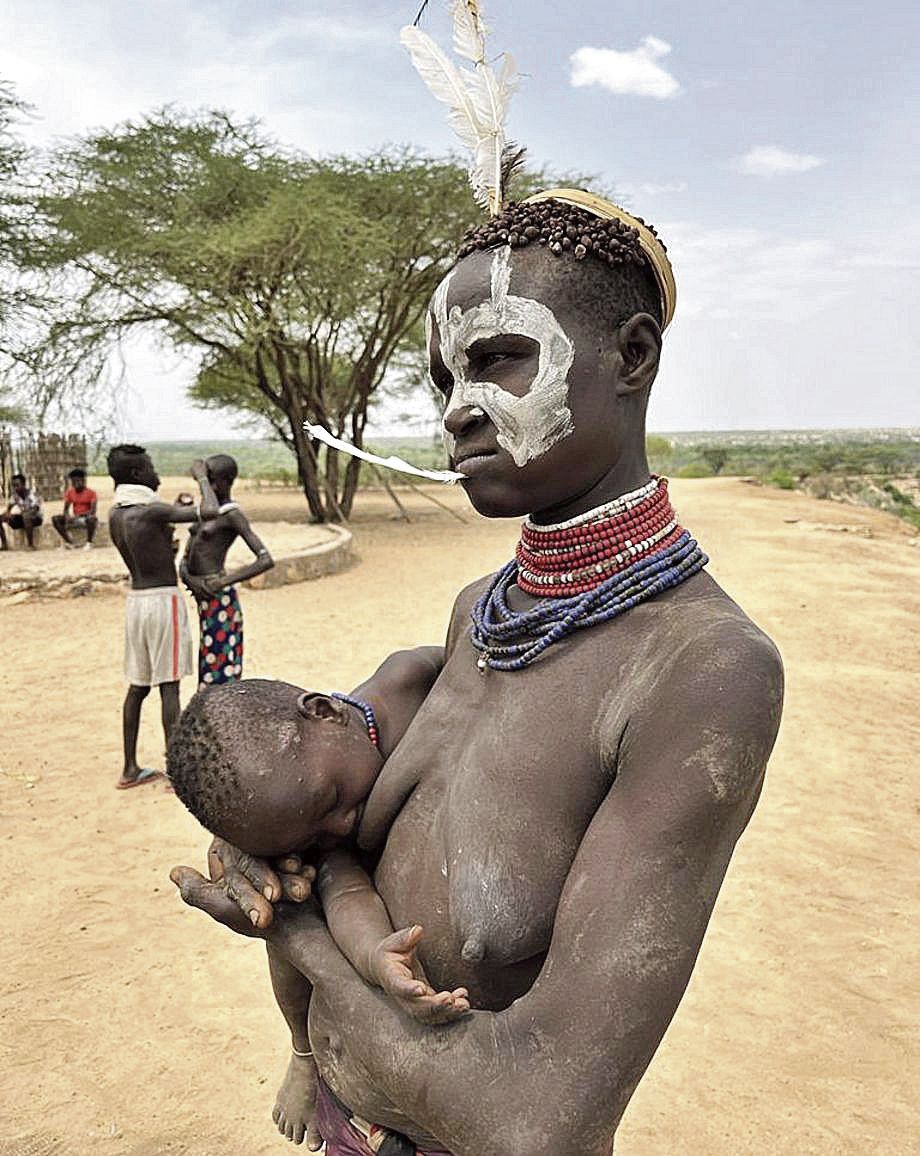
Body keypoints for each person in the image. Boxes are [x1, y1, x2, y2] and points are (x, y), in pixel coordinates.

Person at [172, 184, 784, 1155]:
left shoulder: (699, 670)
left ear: (631, 357)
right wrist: (270, 856)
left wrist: (293, 940)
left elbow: (533, 1120)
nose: (457, 410)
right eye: (441, 378)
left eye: (497, 359)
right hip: (347, 1116)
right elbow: (358, 828)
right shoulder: (479, 614)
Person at [167, 652, 468, 1148]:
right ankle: (304, 1051)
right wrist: (377, 956)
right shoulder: (315, 818)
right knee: (284, 902)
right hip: (361, 1059)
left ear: (325, 712)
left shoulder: (409, 679)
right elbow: (348, 890)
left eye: (330, 802)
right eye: (311, 834)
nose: (341, 827)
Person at [107, 444, 219, 790]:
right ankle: (177, 772)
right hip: (162, 602)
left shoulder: (116, 513)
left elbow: (149, 548)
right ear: (139, 474)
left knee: (138, 686)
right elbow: (211, 511)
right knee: (169, 687)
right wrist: (201, 476)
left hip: (136, 602)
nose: (156, 474)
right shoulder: (152, 510)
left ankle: (130, 768)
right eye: (152, 468)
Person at [178, 454, 274, 688]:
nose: (206, 486)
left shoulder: (232, 515)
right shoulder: (207, 512)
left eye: (211, 480)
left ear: (227, 481)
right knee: (208, 659)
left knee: (219, 664)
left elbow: (265, 559)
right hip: (203, 597)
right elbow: (186, 557)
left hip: (219, 599)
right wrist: (190, 577)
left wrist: (221, 582)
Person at [51, 467, 98, 549]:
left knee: (92, 519)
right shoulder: (70, 492)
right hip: (75, 517)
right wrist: (67, 516)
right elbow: (66, 509)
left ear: (83, 481)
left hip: (85, 517)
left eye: (77, 481)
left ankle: (89, 542)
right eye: (73, 482)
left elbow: (92, 511)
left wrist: (79, 515)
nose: (75, 484)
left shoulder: (91, 493)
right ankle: (69, 542)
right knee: (55, 519)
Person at [0, 473, 43, 550]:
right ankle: (4, 544)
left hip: (36, 518)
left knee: (26, 516)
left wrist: (22, 514)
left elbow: (35, 509)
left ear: (23, 484)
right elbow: (9, 507)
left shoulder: (32, 494)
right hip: (23, 517)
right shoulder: (15, 496)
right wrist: (8, 514)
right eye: (14, 486)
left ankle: (31, 545)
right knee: (1, 518)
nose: (15, 488)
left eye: (17, 485)